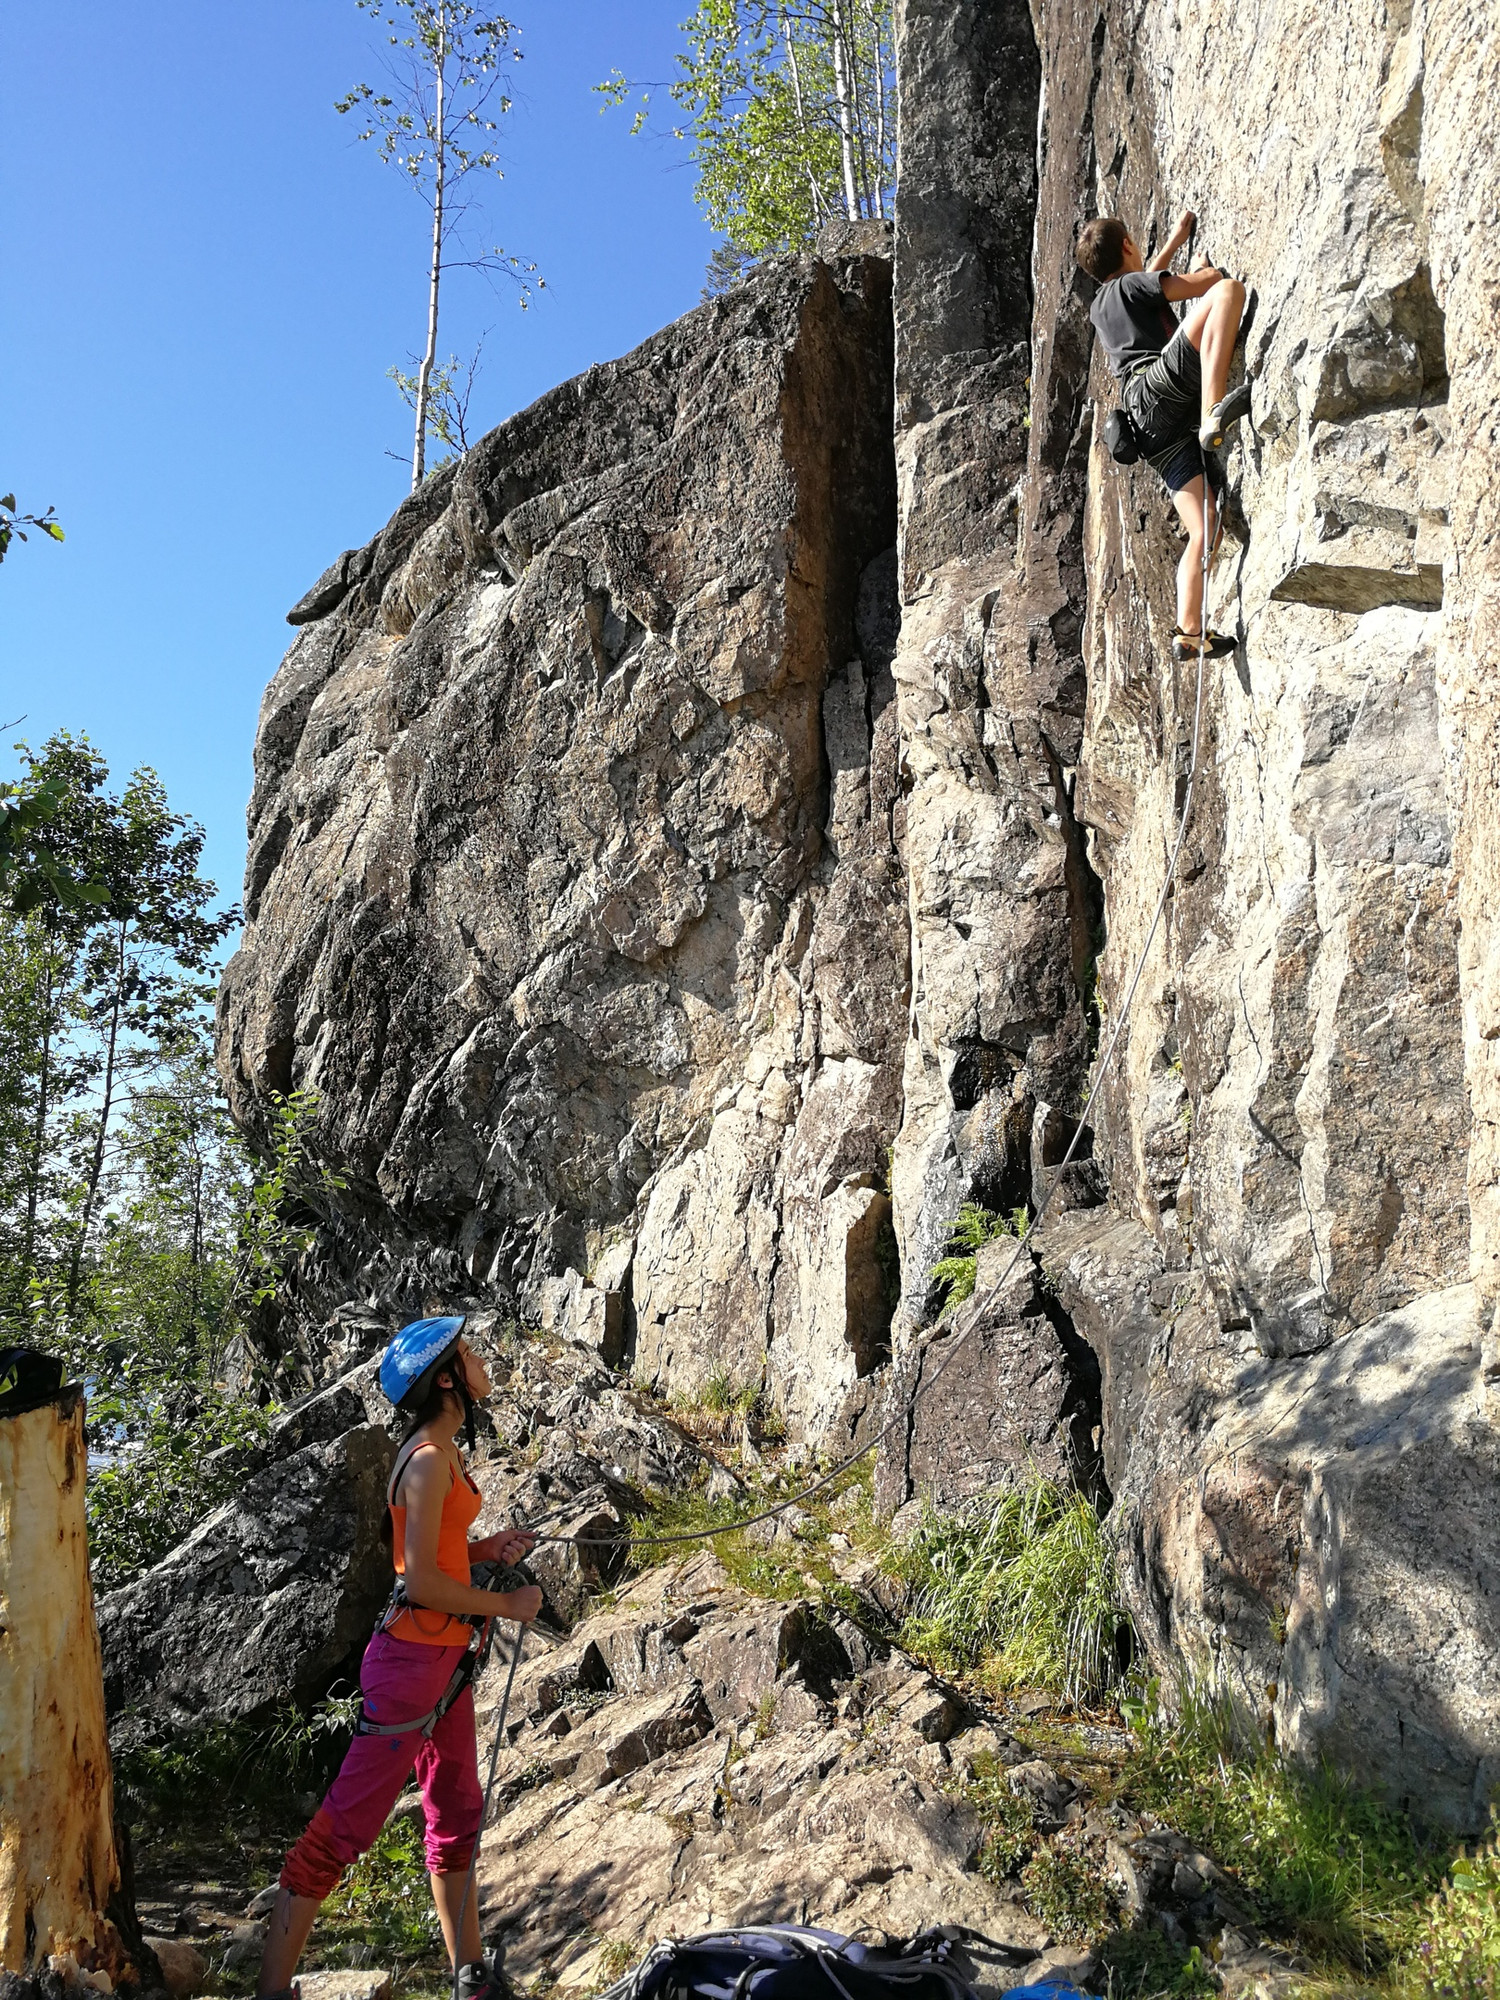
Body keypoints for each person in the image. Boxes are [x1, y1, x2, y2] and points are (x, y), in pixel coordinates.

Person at [257, 1316, 542, 2000]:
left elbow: (431, 1556)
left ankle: (469, 1976)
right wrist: (506, 1605)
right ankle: (267, 1993)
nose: (480, 1361)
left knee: (456, 1807)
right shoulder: (425, 1460)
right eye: (467, 1354)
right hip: (413, 1666)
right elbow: (415, 1580)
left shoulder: (439, 1450)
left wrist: (483, 1548)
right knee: (340, 1834)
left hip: (442, 1661)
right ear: (446, 1379)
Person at [1076, 209, 1251, 661]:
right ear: (1129, 246)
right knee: (1228, 291)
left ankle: (1188, 631)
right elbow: (1195, 287)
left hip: (1148, 431)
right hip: (1156, 391)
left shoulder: (1102, 305)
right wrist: (1207, 270)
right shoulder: (1131, 285)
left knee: (1204, 531)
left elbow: (1145, 283)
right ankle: (1213, 411)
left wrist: (1173, 241)